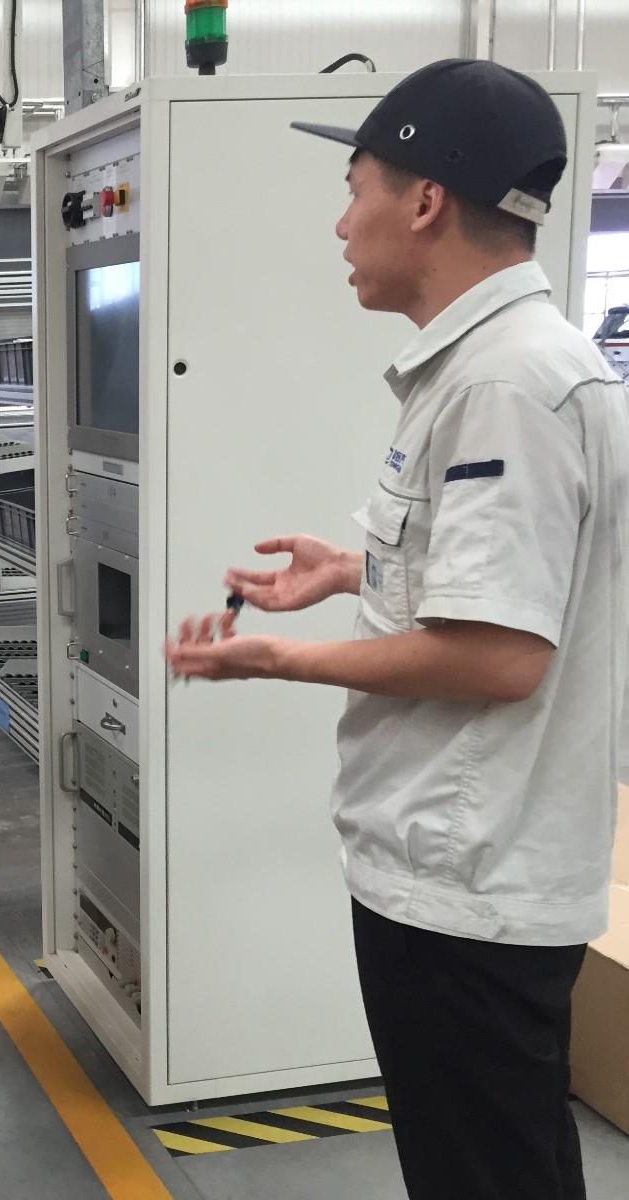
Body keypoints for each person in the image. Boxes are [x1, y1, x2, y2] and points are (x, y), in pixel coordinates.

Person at [165, 60, 629, 1200]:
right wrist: (354, 571)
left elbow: (499, 655)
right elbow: (504, 583)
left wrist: (273, 659)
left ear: (424, 200)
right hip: (466, 874)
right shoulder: (496, 368)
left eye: (355, 187)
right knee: (503, 1159)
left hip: (467, 884)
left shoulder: (506, 385)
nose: (341, 222)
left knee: (484, 1170)